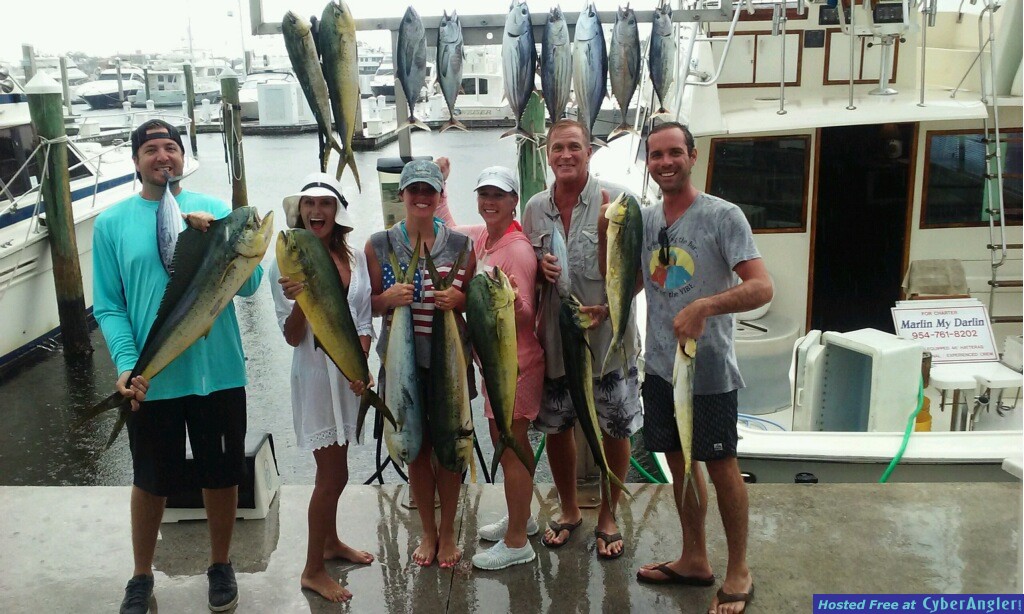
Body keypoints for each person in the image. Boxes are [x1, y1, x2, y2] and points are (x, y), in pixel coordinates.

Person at [93, 119, 264, 614]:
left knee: (221, 475)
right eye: (151, 149)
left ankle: (220, 564)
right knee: (150, 479)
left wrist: (216, 243)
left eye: (171, 147)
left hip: (219, 373)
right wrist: (128, 365)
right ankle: (141, 576)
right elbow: (108, 305)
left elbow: (249, 289)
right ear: (136, 160)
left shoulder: (215, 211)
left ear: (183, 157)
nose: (162, 156)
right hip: (152, 379)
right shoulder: (111, 223)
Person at [632, 122, 771, 614]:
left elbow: (761, 287)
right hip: (660, 369)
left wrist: (705, 307)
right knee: (677, 464)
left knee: (720, 464)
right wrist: (604, 308)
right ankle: (694, 558)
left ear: (692, 156)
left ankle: (738, 570)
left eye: (674, 153)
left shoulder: (722, 216)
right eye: (656, 156)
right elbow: (639, 282)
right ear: (648, 164)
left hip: (708, 369)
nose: (665, 163)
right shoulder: (646, 220)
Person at [521, 119, 642, 559]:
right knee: (557, 427)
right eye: (558, 148)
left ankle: (609, 514)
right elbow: (525, 270)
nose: (566, 155)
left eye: (574, 147)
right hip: (556, 341)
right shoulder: (534, 208)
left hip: (610, 341)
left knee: (614, 427)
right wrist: (541, 272)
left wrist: (611, 305)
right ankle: (570, 509)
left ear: (589, 152)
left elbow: (638, 273)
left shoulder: (619, 201)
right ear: (547, 155)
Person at [364, 159, 476, 568]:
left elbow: (472, 302)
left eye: (431, 190)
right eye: (415, 191)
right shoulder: (378, 245)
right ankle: (428, 533)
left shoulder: (462, 244)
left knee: (450, 447)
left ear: (440, 194)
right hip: (401, 368)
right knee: (415, 449)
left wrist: (458, 300)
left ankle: (448, 534)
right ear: (402, 195)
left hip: (448, 365)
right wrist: (386, 301)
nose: (423, 198)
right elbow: (368, 306)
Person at [270, 172, 375, 602]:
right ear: (300, 211)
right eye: (309, 204)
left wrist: (361, 366)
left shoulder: (354, 257)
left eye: (325, 204)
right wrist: (300, 302)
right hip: (314, 377)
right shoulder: (286, 260)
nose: (316, 211)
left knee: (338, 470)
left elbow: (365, 320)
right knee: (331, 475)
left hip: (348, 375)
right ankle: (312, 569)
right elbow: (292, 335)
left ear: (338, 211)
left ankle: (330, 544)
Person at [435, 166, 545, 569]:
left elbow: (525, 313)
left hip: (516, 368)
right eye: (484, 194)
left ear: (514, 201)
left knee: (511, 447)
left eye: (498, 195)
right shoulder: (484, 238)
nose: (489, 202)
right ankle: (524, 518)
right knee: (513, 442)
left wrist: (469, 302)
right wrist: (443, 184)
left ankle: (517, 543)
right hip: (497, 363)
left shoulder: (515, 249)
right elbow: (445, 226)